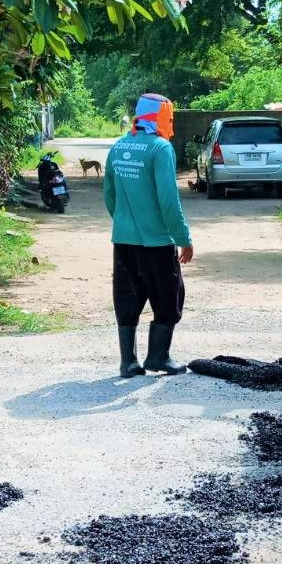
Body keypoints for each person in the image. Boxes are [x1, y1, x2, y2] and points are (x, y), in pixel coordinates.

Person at [104, 93, 195, 377]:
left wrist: (124, 221)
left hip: (123, 240)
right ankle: (158, 356)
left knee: (127, 297)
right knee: (169, 297)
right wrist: (183, 238)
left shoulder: (118, 147)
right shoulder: (160, 148)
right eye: (170, 119)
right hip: (157, 243)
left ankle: (128, 362)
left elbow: (110, 195)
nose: (172, 125)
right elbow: (169, 200)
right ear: (159, 118)